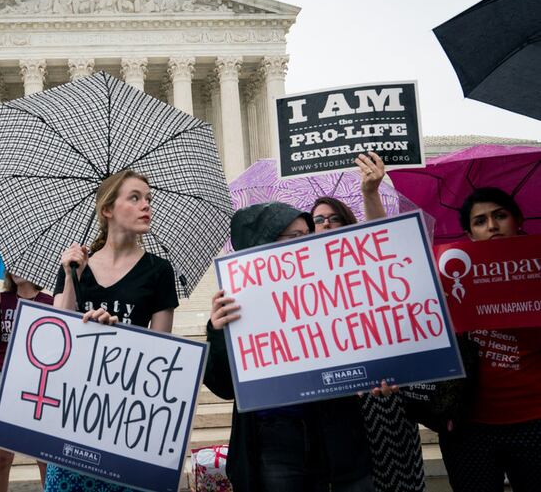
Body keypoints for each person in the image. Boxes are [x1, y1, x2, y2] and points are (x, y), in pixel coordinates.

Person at [207, 201, 382, 492]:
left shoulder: (332, 292)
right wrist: (217, 331)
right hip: (274, 439)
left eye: (308, 235)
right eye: (296, 237)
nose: (308, 243)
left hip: (334, 436)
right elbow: (224, 387)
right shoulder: (233, 307)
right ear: (265, 243)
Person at [44, 169, 179, 491]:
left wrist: (121, 336)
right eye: (135, 198)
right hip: (73, 414)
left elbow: (163, 351)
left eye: (149, 199)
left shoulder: (159, 270)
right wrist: (70, 274)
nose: (146, 205)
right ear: (107, 209)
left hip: (128, 419)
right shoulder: (75, 266)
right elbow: (52, 337)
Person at [311, 154, 426, 492]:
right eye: (319, 219)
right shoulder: (304, 279)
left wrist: (370, 193)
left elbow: (382, 243)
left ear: (348, 223)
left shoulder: (367, 263)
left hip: (381, 391)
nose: (327, 223)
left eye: (334, 218)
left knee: (395, 480)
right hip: (334, 405)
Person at [437, 187, 541, 491]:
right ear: (470, 234)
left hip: (534, 418)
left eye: (500, 215)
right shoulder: (449, 275)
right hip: (470, 426)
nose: (492, 226)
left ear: (518, 220)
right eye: (480, 221)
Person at [0, 272, 52, 491]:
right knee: (1, 458)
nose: (17, 271)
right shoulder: (2, 300)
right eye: (13, 266)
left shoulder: (49, 302)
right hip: (3, 381)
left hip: (37, 384)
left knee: (44, 457)